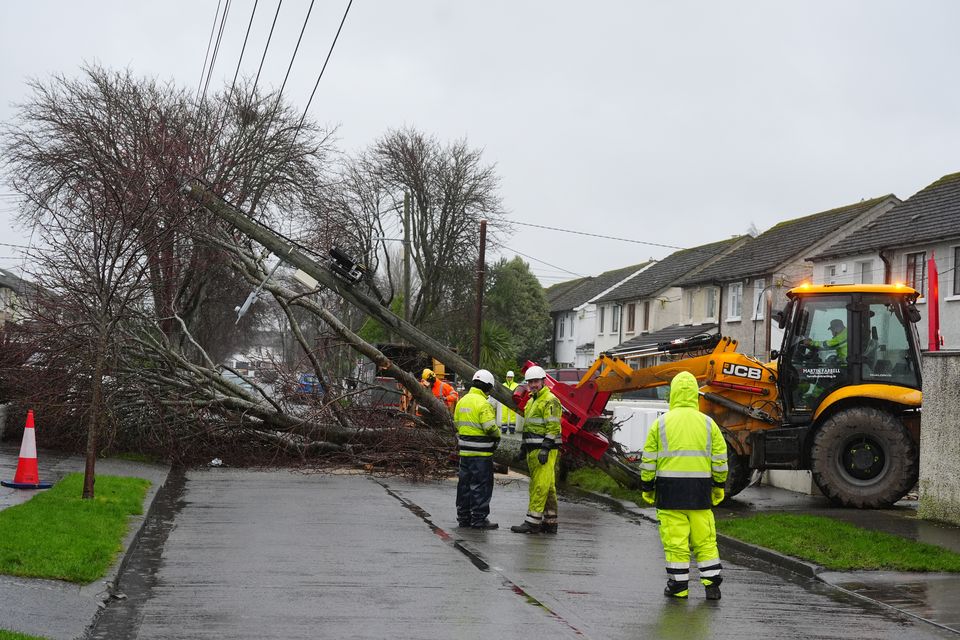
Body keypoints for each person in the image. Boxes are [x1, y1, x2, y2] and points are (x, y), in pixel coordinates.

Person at [640, 370, 728, 600]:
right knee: (705, 540)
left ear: (673, 394)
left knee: (675, 541)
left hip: (669, 493)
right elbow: (720, 460)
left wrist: (647, 487)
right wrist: (718, 486)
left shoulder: (660, 424)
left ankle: (678, 587)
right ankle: (712, 587)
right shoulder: (709, 424)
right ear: (695, 396)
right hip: (700, 492)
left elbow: (649, 460)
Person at [510, 365, 562, 534]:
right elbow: (529, 428)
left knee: (539, 486)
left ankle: (532, 522)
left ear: (543, 381)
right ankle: (550, 521)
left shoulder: (550, 400)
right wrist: (523, 449)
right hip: (534, 450)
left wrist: (545, 449)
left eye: (536, 381)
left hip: (544, 450)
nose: (533, 385)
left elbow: (553, 427)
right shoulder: (533, 401)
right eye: (530, 382)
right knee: (548, 486)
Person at [454, 369, 500, 530]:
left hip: (465, 453)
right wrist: (498, 436)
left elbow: (457, 424)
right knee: (481, 486)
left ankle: (463, 517)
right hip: (481, 455)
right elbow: (490, 428)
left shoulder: (462, 401)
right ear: (487, 386)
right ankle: (479, 519)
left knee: (464, 485)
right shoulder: (483, 404)